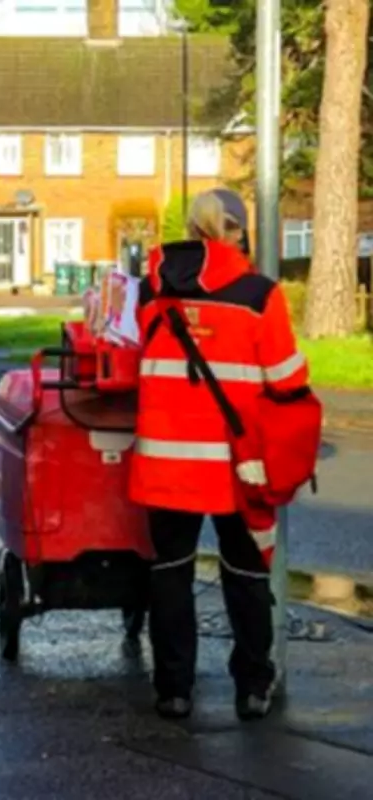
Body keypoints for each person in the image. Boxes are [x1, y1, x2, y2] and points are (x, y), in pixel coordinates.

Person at [129, 189, 309, 721]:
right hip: (237, 464)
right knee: (246, 574)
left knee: (171, 574)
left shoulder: (151, 288)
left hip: (165, 464)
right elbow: (287, 378)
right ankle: (253, 687)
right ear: (238, 231)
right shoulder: (259, 294)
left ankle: (174, 690)